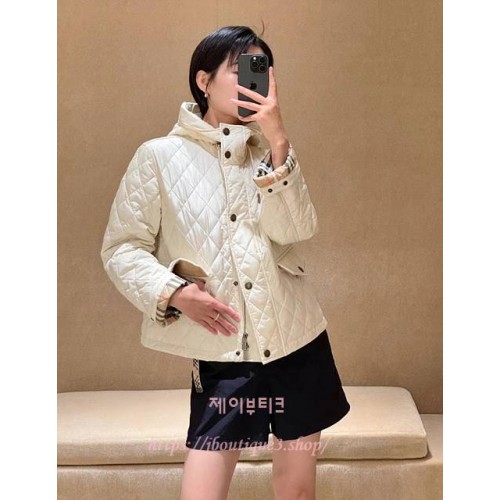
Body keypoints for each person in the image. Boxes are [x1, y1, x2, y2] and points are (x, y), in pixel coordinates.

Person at [101, 25, 351, 500]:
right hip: (224, 350)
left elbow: (295, 230)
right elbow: (121, 249)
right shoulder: (158, 156)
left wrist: (279, 142)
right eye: (239, 70)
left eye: (260, 71)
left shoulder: (270, 155)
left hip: (298, 342)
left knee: (298, 492)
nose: (250, 82)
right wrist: (175, 293)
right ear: (203, 80)